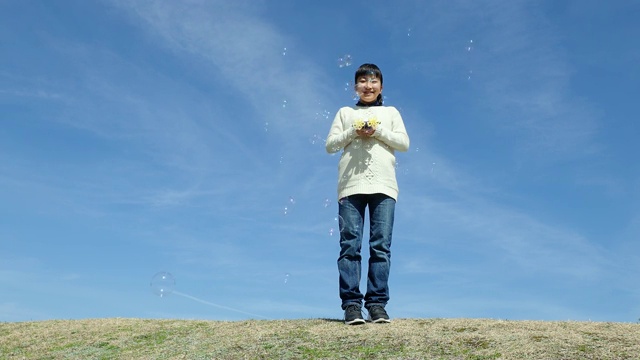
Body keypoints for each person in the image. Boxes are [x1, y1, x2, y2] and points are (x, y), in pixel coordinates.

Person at [325, 63, 410, 325]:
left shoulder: (391, 112)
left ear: (381, 87)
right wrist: (353, 131)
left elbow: (404, 144)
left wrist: (379, 131)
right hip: (350, 186)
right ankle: (351, 305)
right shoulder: (345, 112)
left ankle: (377, 305)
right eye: (362, 81)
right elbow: (330, 145)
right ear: (355, 86)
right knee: (349, 245)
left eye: (373, 82)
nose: (368, 86)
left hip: (384, 187)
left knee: (380, 247)